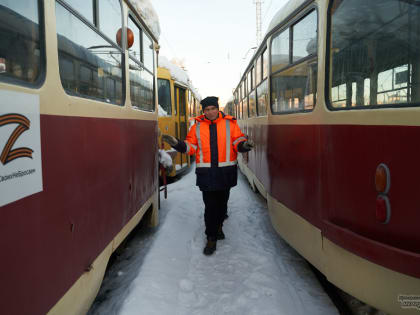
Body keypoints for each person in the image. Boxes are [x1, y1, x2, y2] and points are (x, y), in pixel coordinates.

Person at [162, 96, 254, 255]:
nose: (210, 112)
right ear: (203, 111)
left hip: (225, 172)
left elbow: (237, 142)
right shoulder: (197, 128)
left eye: (212, 108)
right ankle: (211, 238)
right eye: (207, 110)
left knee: (222, 204)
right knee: (210, 207)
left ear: (217, 109)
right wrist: (177, 144)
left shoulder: (230, 124)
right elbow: (190, 147)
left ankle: (219, 227)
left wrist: (244, 146)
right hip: (207, 174)